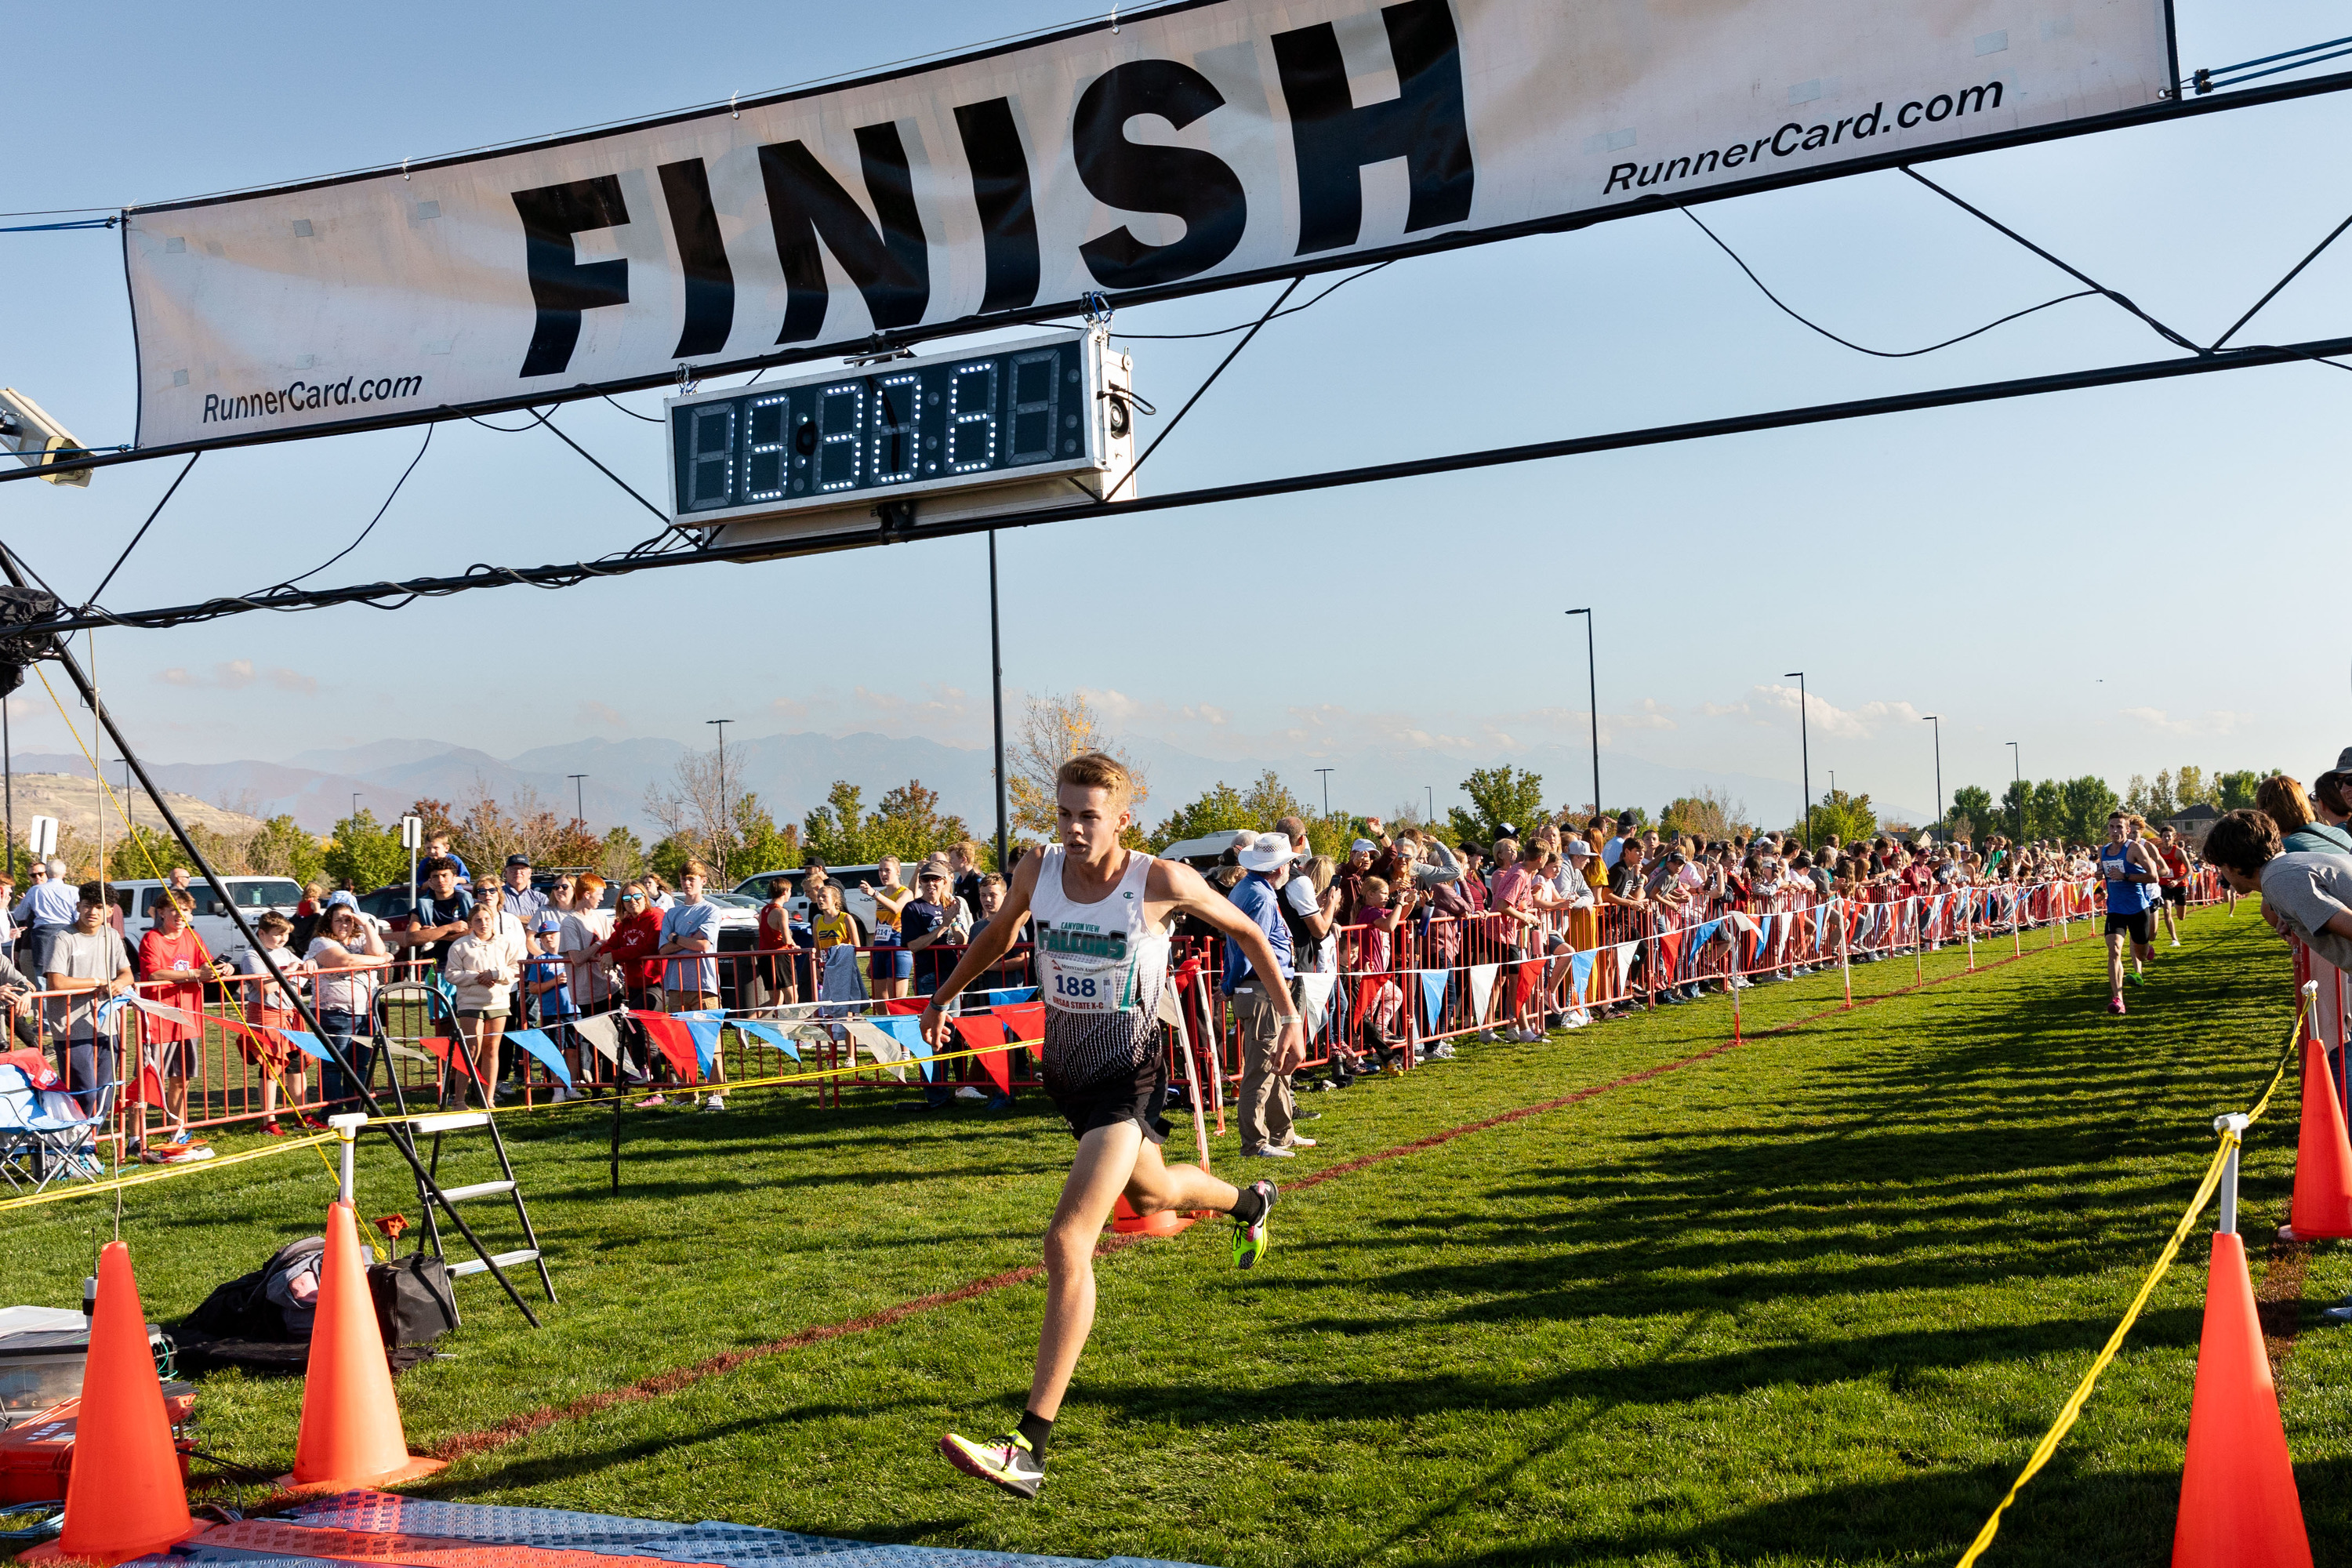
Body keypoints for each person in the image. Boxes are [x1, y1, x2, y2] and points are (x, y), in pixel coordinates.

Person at [922, 753, 1295, 1500]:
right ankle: (1252, 1205)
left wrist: (1287, 1011)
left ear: (1123, 818)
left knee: (1067, 1239)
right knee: (1153, 1197)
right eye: (1064, 813)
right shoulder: (1038, 869)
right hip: (1068, 1074)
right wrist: (947, 996)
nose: (1074, 828)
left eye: (1089, 815)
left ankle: (1028, 1446)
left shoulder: (1159, 880)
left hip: (1130, 1076)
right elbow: (999, 933)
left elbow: (1248, 935)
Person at [1225, 831, 1310, 1157]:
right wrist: (1231, 983)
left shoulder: (1251, 889)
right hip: (1262, 989)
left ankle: (1281, 1134)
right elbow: (1251, 948)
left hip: (1260, 988)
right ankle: (1256, 1142)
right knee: (1262, 1068)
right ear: (1281, 867)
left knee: (1276, 1063)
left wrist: (1230, 984)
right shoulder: (1259, 896)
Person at [137, 891, 226, 1145]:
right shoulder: (151, 938)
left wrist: (221, 969)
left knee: (181, 1080)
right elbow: (154, 974)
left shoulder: (193, 937)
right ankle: (136, 1138)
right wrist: (194, 973)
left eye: (185, 910)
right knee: (147, 1082)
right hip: (158, 1022)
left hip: (188, 1021)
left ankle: (178, 1130)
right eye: (174, 910)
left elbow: (205, 966)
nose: (180, 915)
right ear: (161, 913)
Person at [45, 883, 134, 1115]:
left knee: (105, 1091)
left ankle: (90, 1142)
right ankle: (76, 1143)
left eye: (99, 907)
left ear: (110, 912)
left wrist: (117, 984)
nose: (92, 912)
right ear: (78, 906)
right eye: (87, 906)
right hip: (71, 1029)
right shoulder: (62, 937)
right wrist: (97, 982)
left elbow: (127, 974)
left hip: (107, 1026)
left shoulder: (112, 935)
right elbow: (57, 982)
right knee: (84, 1091)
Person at [657, 860, 728, 1112]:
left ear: (703, 881)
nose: (687, 884)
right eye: (684, 879)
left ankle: (715, 1093)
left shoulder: (711, 910)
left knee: (708, 1040)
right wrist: (684, 939)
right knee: (680, 1042)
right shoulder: (672, 913)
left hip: (705, 984)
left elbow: (704, 946)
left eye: (692, 879)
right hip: (675, 985)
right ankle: (688, 1092)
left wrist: (676, 937)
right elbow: (663, 950)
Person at [236, 912, 317, 1134]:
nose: (283, 939)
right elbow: (265, 987)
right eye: (277, 935)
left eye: (286, 935)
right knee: (271, 1067)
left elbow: (307, 974)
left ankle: (303, 1116)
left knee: (296, 1065)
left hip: (291, 1014)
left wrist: (309, 963)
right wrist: (289, 972)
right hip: (266, 1014)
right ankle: (268, 1122)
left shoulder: (286, 953)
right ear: (261, 933)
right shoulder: (252, 956)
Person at [308, 891, 389, 1106]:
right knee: (334, 1065)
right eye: (338, 920)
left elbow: (379, 949)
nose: (344, 924)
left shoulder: (360, 938)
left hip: (366, 1012)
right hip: (335, 1012)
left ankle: (356, 1109)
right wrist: (379, 961)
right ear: (329, 922)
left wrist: (364, 923)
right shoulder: (321, 942)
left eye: (348, 919)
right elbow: (346, 961)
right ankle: (332, 1113)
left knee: (360, 1065)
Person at [444, 901, 521, 1106]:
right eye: (478, 920)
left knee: (492, 1049)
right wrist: (477, 977)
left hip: (498, 1001)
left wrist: (496, 974)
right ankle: (459, 1099)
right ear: (471, 923)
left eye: (487, 919)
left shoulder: (506, 942)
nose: (483, 923)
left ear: (493, 921)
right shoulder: (460, 946)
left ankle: (488, 1098)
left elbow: (517, 969)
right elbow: (451, 974)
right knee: (471, 1049)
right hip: (470, 1002)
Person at [2097, 810, 2164, 1014]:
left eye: (2119, 827)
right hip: (2116, 909)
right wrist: (2099, 874)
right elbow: (2105, 875)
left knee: (2141, 955)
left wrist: (2126, 876)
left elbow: (2154, 876)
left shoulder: (2135, 849)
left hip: (2138, 908)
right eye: (2112, 826)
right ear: (2108, 829)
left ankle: (2146, 948)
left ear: (2127, 829)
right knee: (2114, 950)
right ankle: (2118, 999)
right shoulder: (2104, 851)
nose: (2115, 830)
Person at [521, 913, 581, 1100]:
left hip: (575, 1010)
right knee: (556, 1052)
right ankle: (557, 1090)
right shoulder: (540, 961)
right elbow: (532, 988)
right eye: (544, 936)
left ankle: (571, 1088)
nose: (548, 938)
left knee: (573, 1050)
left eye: (552, 934)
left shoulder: (572, 956)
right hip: (552, 1013)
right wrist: (554, 982)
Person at [14, 858, 78, 981]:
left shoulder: (34, 891)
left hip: (42, 937)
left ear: (47, 874)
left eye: (40, 874)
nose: (37, 877)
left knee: (43, 978)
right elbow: (77, 916)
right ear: (64, 873)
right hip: (66, 933)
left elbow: (19, 915)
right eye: (33, 875)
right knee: (67, 973)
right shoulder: (73, 891)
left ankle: (45, 1000)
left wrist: (24, 904)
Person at [863, 854, 914, 1002]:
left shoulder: (905, 892)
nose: (883, 874)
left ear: (898, 871)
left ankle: (902, 1025)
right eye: (880, 870)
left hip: (897, 948)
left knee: (897, 1002)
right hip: (880, 949)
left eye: (887, 870)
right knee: (880, 1002)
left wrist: (874, 894)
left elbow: (896, 908)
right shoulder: (882, 894)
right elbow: (878, 924)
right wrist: (872, 957)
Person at [499, 855, 547, 928]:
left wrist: (512, 919)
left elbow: (547, 922)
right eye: (513, 869)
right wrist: (533, 920)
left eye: (522, 869)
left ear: (530, 873)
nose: (518, 872)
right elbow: (497, 920)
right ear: (506, 872)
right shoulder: (497, 895)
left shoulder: (540, 898)